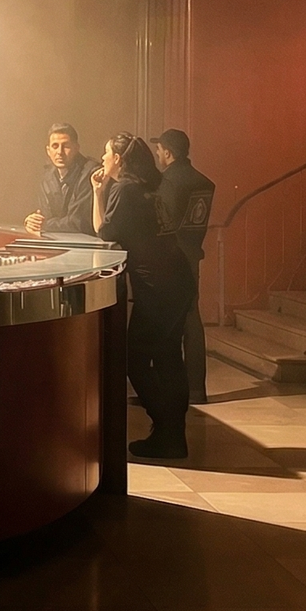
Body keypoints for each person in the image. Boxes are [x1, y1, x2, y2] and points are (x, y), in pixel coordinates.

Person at [92, 132, 196, 461]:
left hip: (157, 287)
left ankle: (165, 428)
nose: (103, 159)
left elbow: (104, 232)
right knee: (168, 357)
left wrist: (98, 192)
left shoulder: (123, 188)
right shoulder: (149, 185)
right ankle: (174, 437)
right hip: (178, 280)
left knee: (133, 359)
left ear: (119, 160)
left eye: (107, 153)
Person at [151, 128, 216, 406]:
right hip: (193, 257)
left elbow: (161, 222)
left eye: (159, 151)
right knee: (192, 321)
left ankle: (167, 389)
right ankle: (196, 390)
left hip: (169, 260)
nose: (157, 155)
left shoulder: (168, 182)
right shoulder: (203, 181)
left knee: (164, 324)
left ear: (167, 152)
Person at [25, 122, 96, 238]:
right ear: (48, 151)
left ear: (76, 148)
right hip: (57, 242)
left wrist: (45, 225)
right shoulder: (46, 175)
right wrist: (33, 221)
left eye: (66, 146)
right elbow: (44, 214)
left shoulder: (90, 173)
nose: (60, 152)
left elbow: (78, 222)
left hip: (87, 245)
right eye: (55, 146)